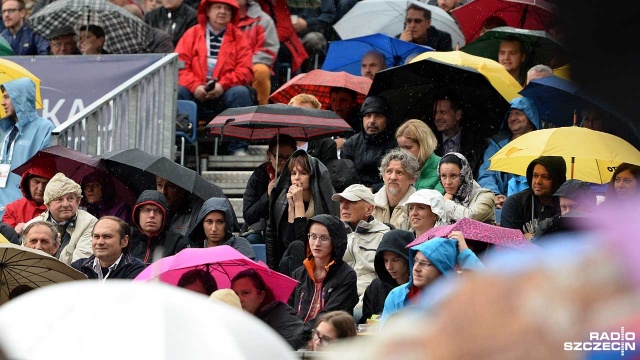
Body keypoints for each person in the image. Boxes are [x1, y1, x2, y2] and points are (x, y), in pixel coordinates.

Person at [175, 0, 254, 155]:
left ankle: (238, 147)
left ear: (232, 14)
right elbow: (179, 67)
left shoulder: (239, 37)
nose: (222, 11)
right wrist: (195, 86)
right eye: (218, 7)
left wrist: (222, 85)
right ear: (208, 11)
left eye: (227, 9)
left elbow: (245, 70)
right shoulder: (191, 34)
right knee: (178, 92)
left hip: (224, 94)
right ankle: (180, 145)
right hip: (195, 92)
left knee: (242, 93)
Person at [380, 232, 484, 324]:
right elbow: (384, 338)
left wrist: (465, 253)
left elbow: (486, 288)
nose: (416, 268)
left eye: (424, 263)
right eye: (415, 261)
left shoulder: (457, 297)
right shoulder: (397, 296)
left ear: (442, 268)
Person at [265, 150, 338, 272]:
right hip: (293, 263)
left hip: (318, 260)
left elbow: (303, 244)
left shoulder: (323, 201)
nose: (296, 178)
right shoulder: (282, 199)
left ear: (312, 177)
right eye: (293, 173)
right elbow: (287, 243)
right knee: (286, 259)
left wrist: (299, 203)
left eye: (303, 173)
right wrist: (291, 207)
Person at [289, 215, 358, 337]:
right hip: (297, 338)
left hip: (328, 340)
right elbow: (288, 311)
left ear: (336, 241)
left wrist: (301, 335)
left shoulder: (347, 276)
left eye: (324, 238)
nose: (316, 243)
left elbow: (330, 316)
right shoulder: (298, 274)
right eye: (313, 236)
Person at [0, 78, 54, 217]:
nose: (3, 103)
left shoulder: (44, 127)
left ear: (20, 97)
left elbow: (44, 172)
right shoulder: (4, 130)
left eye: (7, 97)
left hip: (23, 212)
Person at [331, 184, 390, 306]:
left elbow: (386, 277)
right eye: (342, 202)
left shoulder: (384, 235)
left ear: (369, 209)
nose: (344, 206)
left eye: (351, 201)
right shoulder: (333, 233)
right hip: (338, 292)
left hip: (368, 295)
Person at [477, 97, 541, 208]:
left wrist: (512, 200)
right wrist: (495, 195)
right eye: (510, 114)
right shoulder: (497, 144)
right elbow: (486, 173)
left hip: (528, 206)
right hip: (497, 205)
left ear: (530, 117)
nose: (512, 118)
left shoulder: (541, 145)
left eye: (518, 113)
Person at [27, 173, 97, 265]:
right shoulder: (33, 225)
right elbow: (26, 260)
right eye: (59, 199)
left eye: (70, 198)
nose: (66, 204)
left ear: (78, 201)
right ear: (47, 204)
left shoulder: (90, 223)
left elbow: (81, 263)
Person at [231, 269, 306, 349]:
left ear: (261, 296)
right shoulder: (241, 321)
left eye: (245, 293)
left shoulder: (281, 317)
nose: (239, 299)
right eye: (235, 294)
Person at [242, 133, 296, 244]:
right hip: (262, 230)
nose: (284, 162)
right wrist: (267, 196)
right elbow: (248, 215)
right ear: (269, 155)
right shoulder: (259, 176)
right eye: (279, 157)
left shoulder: (299, 176)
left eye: (288, 157)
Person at [500, 156, 567, 238]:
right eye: (535, 176)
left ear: (557, 180)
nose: (538, 181)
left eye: (545, 177)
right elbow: (509, 243)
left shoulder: (567, 205)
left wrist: (532, 239)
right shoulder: (514, 203)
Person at [341, 96, 398, 191]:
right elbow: (345, 176)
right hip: (354, 194)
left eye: (378, 116)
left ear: (387, 119)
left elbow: (397, 177)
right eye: (368, 116)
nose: (372, 121)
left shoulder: (395, 144)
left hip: (387, 194)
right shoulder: (350, 144)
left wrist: (374, 189)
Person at [359, 229, 413, 324]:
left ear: (407, 259)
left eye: (395, 260)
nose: (389, 267)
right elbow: (365, 321)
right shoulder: (375, 287)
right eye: (385, 260)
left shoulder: (419, 286)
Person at [431, 93, 488, 178]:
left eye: (443, 112)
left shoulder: (476, 143)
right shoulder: (429, 143)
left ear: (458, 115)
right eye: (435, 113)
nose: (437, 117)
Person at [71, 216, 146, 280]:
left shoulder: (136, 269)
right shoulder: (78, 268)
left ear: (124, 241)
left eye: (107, 237)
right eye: (96, 237)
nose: (100, 242)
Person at [129, 190, 190, 265]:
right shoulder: (125, 238)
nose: (152, 215)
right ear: (138, 214)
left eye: (158, 211)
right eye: (147, 210)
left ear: (164, 216)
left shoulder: (176, 243)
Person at [236, 0, 279, 105]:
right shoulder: (217, 18)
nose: (221, 11)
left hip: (252, 65)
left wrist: (244, 66)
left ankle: (259, 114)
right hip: (220, 68)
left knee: (261, 71)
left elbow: (268, 52)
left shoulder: (264, 20)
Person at [188, 197, 255, 259]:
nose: (214, 229)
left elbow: (248, 268)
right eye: (209, 222)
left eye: (220, 222)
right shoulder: (193, 249)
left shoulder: (240, 245)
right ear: (202, 223)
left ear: (227, 223)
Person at [438, 152, 496, 224]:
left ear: (464, 175)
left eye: (453, 176)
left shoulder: (485, 195)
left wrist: (447, 203)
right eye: (443, 176)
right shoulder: (441, 198)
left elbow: (470, 218)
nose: (447, 182)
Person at [372, 148, 419, 230]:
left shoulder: (419, 206)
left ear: (412, 179)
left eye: (399, 172)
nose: (393, 177)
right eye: (388, 172)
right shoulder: (369, 204)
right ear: (383, 176)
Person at [396, 119, 444, 193]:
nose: (403, 153)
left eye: (408, 147)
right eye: (401, 148)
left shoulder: (444, 168)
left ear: (424, 145)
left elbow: (437, 201)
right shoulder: (397, 167)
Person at [2, 166, 53, 233]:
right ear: (28, 183)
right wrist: (14, 232)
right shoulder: (13, 209)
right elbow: (4, 237)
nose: (40, 188)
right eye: (36, 182)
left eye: (45, 183)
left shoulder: (58, 209)